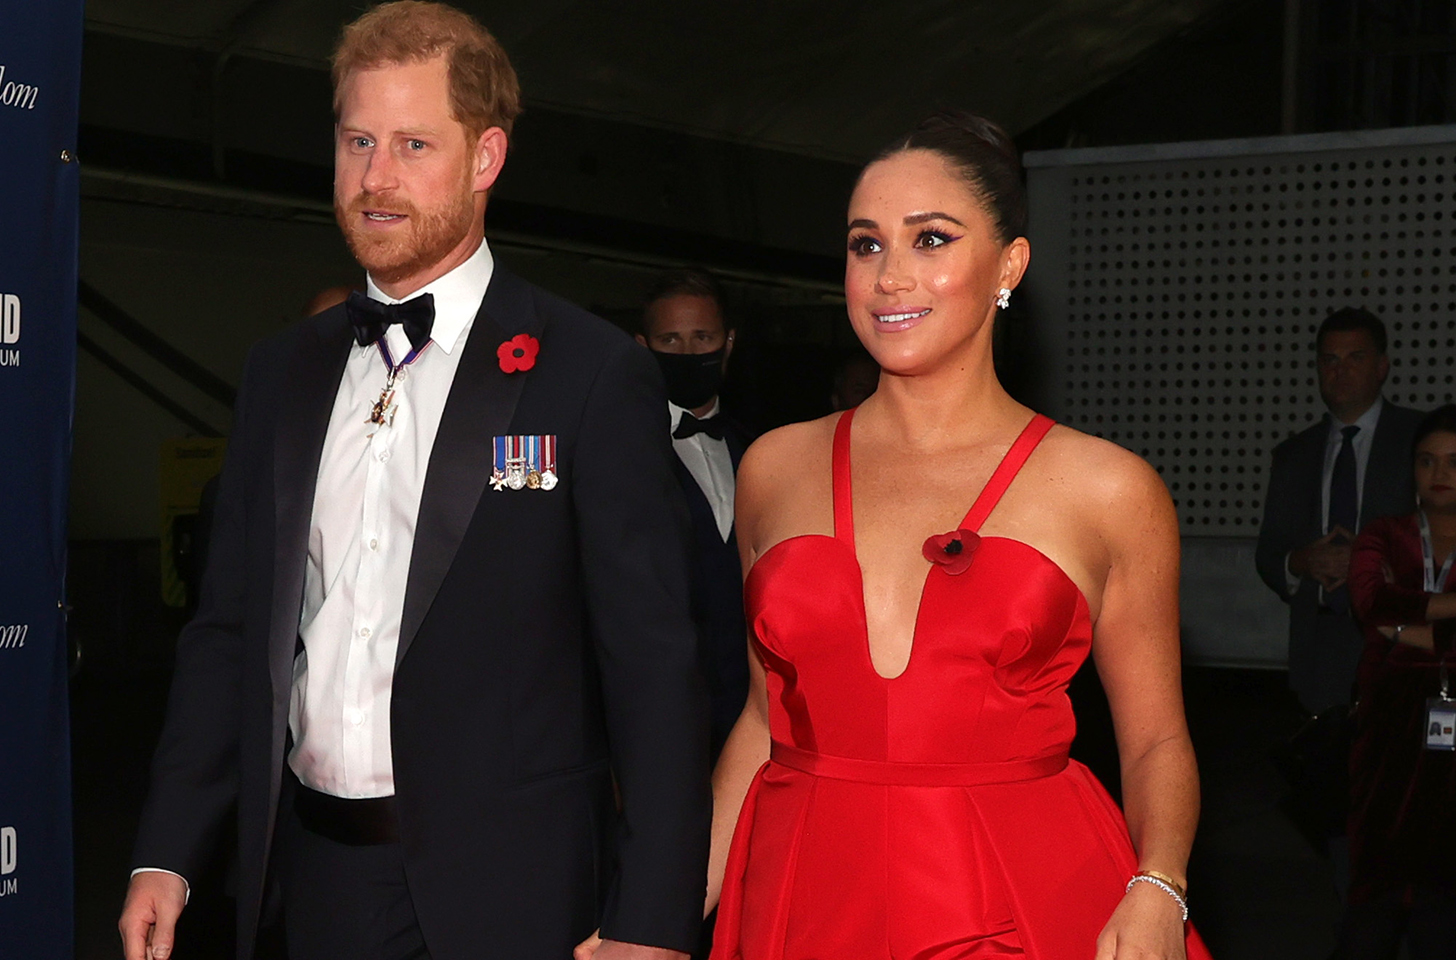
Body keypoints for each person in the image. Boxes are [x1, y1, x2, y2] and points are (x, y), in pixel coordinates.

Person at [118, 4, 710, 960]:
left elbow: (653, 671)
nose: (375, 179)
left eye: (411, 144)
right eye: (357, 141)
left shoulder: (588, 373)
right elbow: (228, 630)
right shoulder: (284, 370)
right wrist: (167, 852)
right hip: (312, 885)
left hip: (515, 898)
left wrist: (653, 917)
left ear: (485, 158)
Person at [595, 111, 1211, 958]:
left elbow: (1156, 740)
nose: (889, 277)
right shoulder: (775, 467)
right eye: (865, 244)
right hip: (803, 894)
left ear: (1009, 265)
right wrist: (659, 920)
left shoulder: (1107, 488)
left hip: (1021, 904)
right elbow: (762, 716)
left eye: (930, 240)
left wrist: (1159, 886)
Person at [1256, 308, 1424, 715]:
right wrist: (1302, 561)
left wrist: (1369, 561)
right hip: (1318, 644)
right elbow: (1269, 554)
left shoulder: (1421, 440)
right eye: (1330, 359)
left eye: (1355, 358)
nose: (1340, 371)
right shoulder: (1294, 455)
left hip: (1400, 638)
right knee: (1321, 772)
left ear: (1382, 367)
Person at [1342, 404, 1456, 959]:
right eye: (1427, 460)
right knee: (1375, 892)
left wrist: (1402, 628)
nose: (1440, 472)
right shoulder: (1384, 534)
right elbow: (1370, 601)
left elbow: (1388, 616)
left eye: (1455, 461)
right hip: (1388, 732)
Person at [635, 269, 753, 759]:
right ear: (643, 348)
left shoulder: (761, 451)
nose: (687, 353)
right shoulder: (618, 453)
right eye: (671, 339)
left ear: (727, 344)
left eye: (702, 337)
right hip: (657, 727)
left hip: (754, 722)